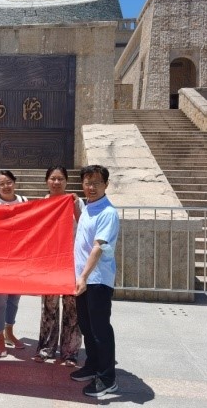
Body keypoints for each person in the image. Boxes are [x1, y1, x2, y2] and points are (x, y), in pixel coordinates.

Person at [70, 165, 119, 397]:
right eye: (88, 182)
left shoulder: (108, 212)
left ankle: (107, 378)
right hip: (83, 280)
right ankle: (92, 365)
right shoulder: (89, 207)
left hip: (97, 280)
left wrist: (83, 276)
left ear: (106, 185)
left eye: (97, 183)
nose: (91, 187)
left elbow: (98, 247)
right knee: (87, 327)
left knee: (100, 329)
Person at [34, 165, 82, 366]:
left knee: (72, 309)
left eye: (60, 178)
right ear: (47, 181)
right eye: (52, 178)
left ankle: (70, 352)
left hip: (71, 263)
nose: (56, 182)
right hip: (50, 264)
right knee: (49, 309)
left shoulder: (74, 201)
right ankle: (46, 348)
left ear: (66, 181)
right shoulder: (42, 204)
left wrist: (75, 206)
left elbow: (84, 227)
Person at [0, 170, 27, 357]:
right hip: (0, 261)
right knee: (0, 301)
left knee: (14, 298)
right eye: (1, 184)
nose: (6, 186)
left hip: (19, 259)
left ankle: (9, 332)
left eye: (9, 182)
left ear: (14, 183)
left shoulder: (24, 201)